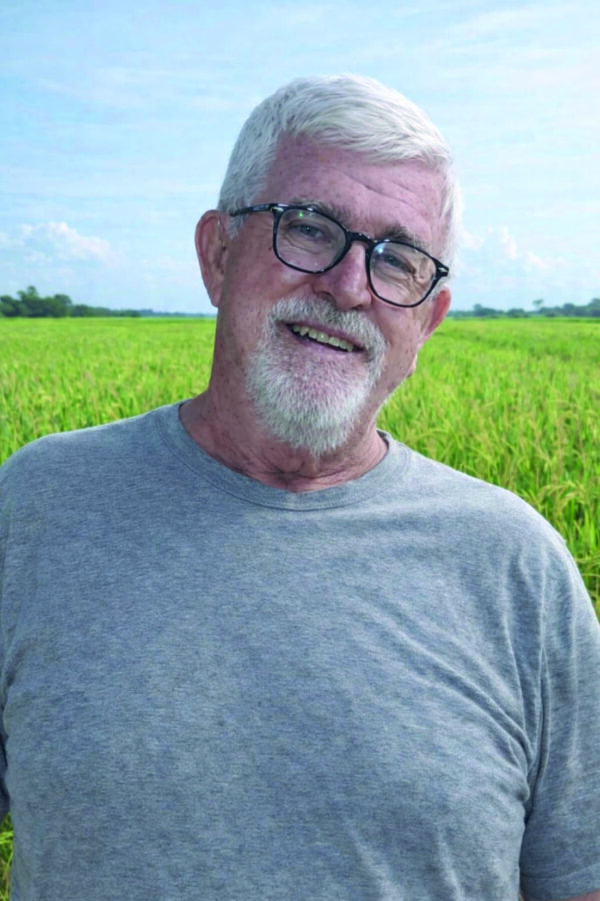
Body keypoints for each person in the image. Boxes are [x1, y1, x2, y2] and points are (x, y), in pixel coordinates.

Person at [1, 75, 599, 901]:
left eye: (398, 259)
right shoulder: (37, 507)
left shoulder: (517, 567)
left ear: (427, 319)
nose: (350, 286)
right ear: (218, 253)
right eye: (310, 228)